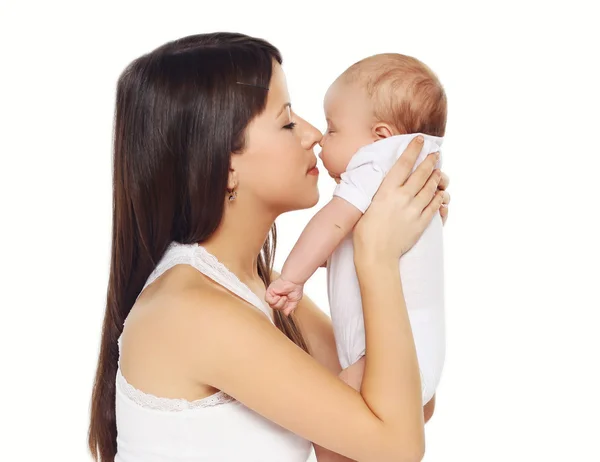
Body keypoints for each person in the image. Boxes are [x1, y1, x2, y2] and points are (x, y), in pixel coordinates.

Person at [88, 32, 451, 462]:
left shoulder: (260, 286)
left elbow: (407, 407)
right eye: (287, 121)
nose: (314, 134)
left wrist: (409, 254)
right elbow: (397, 449)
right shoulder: (192, 310)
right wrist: (378, 259)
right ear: (226, 167)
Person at [265, 53, 447, 410]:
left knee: (337, 420)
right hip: (418, 351)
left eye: (332, 129)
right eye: (286, 123)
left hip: (381, 355)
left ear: (380, 136)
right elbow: (341, 244)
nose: (320, 138)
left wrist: (293, 277)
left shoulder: (377, 161)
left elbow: (331, 222)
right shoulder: (413, 165)